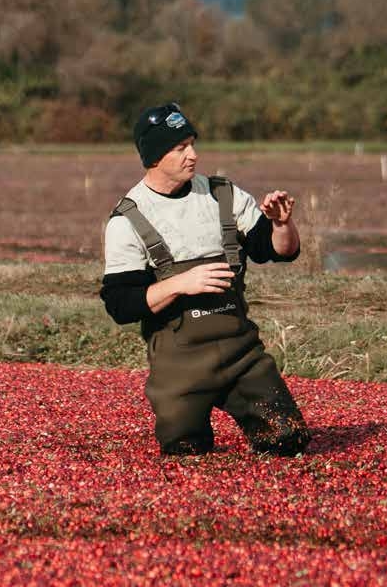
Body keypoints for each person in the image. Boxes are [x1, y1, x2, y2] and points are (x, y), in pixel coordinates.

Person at [101, 101, 310, 458]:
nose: (193, 155)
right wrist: (181, 283)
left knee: (288, 439)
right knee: (184, 451)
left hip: (241, 353)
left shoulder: (222, 195)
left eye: (192, 144)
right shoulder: (127, 219)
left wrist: (281, 224)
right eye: (181, 148)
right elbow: (120, 305)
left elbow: (278, 251)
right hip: (179, 364)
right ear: (154, 156)